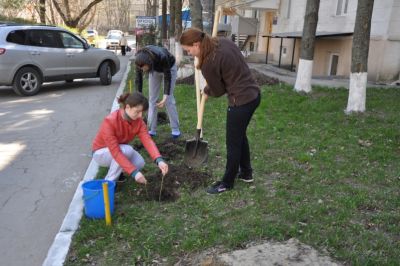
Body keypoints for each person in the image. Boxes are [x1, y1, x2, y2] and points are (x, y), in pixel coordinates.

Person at [179, 28, 261, 194]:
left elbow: (218, 90)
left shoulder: (209, 62)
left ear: (196, 44)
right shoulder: (222, 42)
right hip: (254, 95)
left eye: (189, 50)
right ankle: (246, 173)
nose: (190, 54)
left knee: (233, 143)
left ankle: (227, 182)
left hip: (240, 101)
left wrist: (207, 90)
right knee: (240, 136)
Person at [92, 92, 168, 183]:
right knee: (127, 150)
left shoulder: (138, 122)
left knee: (139, 163)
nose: (140, 116)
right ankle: (108, 183)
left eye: (142, 112)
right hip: (101, 152)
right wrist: (134, 173)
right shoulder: (110, 121)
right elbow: (116, 152)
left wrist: (159, 160)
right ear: (127, 107)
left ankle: (119, 172)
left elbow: (147, 140)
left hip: (119, 149)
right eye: (137, 111)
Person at [135, 45, 181, 139]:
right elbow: (138, 79)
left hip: (169, 68)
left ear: (148, 62)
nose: (142, 70)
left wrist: (165, 96)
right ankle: (152, 129)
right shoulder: (139, 61)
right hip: (154, 70)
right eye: (141, 69)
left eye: (144, 68)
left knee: (168, 99)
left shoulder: (162, 56)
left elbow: (167, 76)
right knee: (152, 99)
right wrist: (138, 96)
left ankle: (175, 129)